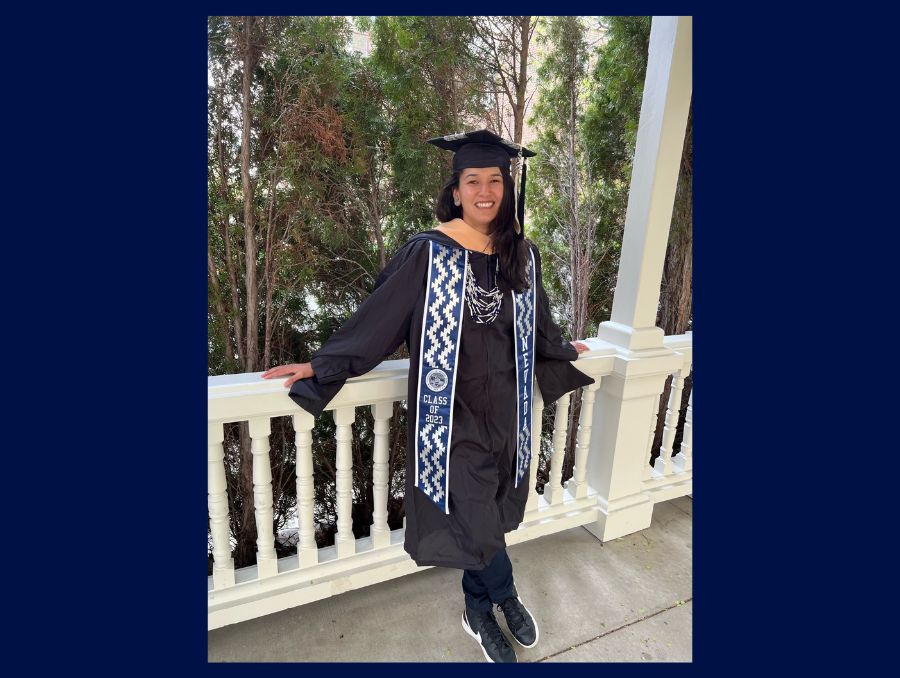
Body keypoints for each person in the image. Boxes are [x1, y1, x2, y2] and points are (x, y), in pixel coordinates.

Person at [262, 129, 593, 663]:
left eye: (495, 180)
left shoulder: (521, 255)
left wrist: (559, 347)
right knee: (470, 505)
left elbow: (538, 324)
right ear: (456, 190)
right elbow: (379, 319)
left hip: (506, 413)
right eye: (473, 181)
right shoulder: (429, 251)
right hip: (450, 415)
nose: (485, 191)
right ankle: (504, 595)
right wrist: (323, 365)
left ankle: (476, 609)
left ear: (506, 189)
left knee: (486, 508)